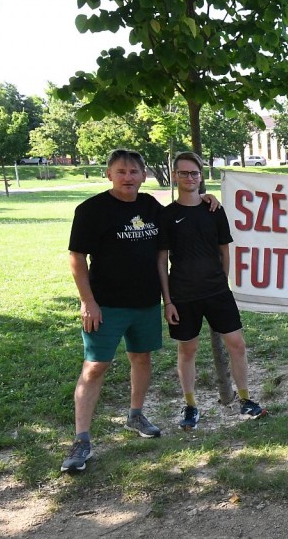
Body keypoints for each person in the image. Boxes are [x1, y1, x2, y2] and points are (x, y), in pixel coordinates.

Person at [61, 149, 218, 474]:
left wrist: (207, 199)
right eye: (121, 171)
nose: (128, 177)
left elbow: (180, 215)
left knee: (141, 358)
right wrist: (87, 301)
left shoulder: (150, 207)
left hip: (145, 302)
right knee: (95, 366)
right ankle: (81, 439)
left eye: (134, 172)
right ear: (109, 174)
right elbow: (77, 258)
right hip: (105, 305)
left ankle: (136, 415)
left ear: (143, 176)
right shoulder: (91, 210)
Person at [157, 152, 266, 431]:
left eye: (194, 173)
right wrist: (167, 301)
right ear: (175, 176)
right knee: (188, 349)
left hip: (217, 291)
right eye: (183, 173)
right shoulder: (167, 215)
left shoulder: (214, 210)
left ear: (201, 176)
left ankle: (245, 400)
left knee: (237, 344)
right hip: (183, 294)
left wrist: (222, 283)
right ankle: (190, 405)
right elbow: (161, 259)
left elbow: (224, 251)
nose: (189, 177)